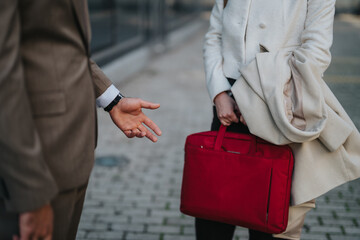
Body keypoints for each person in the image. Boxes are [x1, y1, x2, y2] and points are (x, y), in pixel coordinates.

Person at [0, 0, 162, 239]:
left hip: (73, 152)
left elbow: (66, 45)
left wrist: (113, 100)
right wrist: (30, 191)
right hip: (36, 161)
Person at [200, 0, 360, 239]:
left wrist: (259, 101)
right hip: (228, 107)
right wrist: (219, 93)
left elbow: (316, 53)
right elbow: (215, 36)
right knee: (214, 215)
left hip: (277, 108)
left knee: (268, 220)